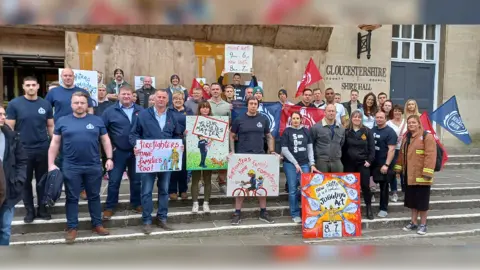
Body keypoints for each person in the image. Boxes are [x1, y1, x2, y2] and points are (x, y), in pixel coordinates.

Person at [48, 91, 114, 244]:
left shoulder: (97, 120)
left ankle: (97, 224)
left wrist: (109, 158)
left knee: (94, 196)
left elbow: (105, 141)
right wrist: (51, 164)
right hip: (71, 166)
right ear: (71, 104)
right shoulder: (62, 121)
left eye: (82, 102)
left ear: (87, 104)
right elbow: (55, 143)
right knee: (71, 197)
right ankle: (72, 227)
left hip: (93, 165)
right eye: (76, 102)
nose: (79, 105)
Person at [130, 89, 183, 234]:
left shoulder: (172, 115)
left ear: (167, 100)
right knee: (146, 191)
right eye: (158, 97)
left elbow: (177, 134)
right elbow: (133, 134)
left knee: (164, 190)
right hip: (149, 159)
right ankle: (147, 220)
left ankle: (162, 218)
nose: (160, 99)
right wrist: (137, 145)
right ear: (153, 99)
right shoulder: (143, 115)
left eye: (163, 97)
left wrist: (180, 144)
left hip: (166, 160)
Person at [6, 76, 54, 223]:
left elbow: (50, 126)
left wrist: (54, 144)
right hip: (23, 150)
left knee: (42, 181)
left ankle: (42, 208)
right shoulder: (15, 104)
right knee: (25, 182)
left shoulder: (45, 104)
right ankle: (29, 211)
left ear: (38, 86)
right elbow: (9, 128)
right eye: (28, 85)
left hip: (42, 148)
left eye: (33, 85)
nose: (31, 87)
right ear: (23, 87)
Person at [46, 68, 94, 200]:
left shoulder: (82, 92)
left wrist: (91, 130)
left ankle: (83, 188)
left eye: (70, 75)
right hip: (62, 132)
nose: (67, 78)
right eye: (65, 75)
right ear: (62, 77)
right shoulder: (53, 92)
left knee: (82, 158)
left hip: (82, 133)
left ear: (74, 77)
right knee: (63, 161)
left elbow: (90, 110)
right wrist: (52, 132)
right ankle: (65, 188)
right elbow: (47, 112)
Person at [229, 96, 278, 225]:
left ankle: (263, 212)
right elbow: (232, 135)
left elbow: (269, 136)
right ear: (247, 105)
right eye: (251, 103)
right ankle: (237, 213)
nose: (253, 105)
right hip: (243, 158)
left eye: (255, 104)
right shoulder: (239, 119)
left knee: (261, 186)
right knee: (241, 186)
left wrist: (272, 151)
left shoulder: (263, 119)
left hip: (260, 157)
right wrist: (232, 152)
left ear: (258, 105)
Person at [101, 85, 143, 220]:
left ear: (133, 96)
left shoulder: (141, 110)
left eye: (128, 94)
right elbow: (102, 131)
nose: (126, 96)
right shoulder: (109, 111)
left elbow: (146, 129)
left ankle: (136, 203)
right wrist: (110, 147)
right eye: (123, 94)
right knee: (114, 180)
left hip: (136, 152)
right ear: (118, 95)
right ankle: (110, 206)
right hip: (117, 152)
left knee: (136, 180)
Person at [395, 114, 436, 235]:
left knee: (422, 203)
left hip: (422, 176)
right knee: (412, 202)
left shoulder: (427, 136)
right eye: (409, 123)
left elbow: (431, 155)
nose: (411, 124)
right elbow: (401, 155)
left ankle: (423, 225)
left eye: (414, 122)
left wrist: (427, 173)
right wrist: (398, 170)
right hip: (410, 176)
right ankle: (413, 222)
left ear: (419, 123)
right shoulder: (406, 137)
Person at [281, 111, 319, 223]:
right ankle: (295, 214)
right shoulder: (287, 132)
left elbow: (310, 148)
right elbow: (284, 149)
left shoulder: (306, 131)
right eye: (294, 118)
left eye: (298, 118)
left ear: (301, 119)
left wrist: (312, 163)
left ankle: (307, 212)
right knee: (292, 189)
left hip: (305, 163)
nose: (296, 120)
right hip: (290, 164)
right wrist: (295, 163)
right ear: (291, 120)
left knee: (306, 188)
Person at [0, 106, 28, 246]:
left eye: (4, 114)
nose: (3, 117)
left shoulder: (11, 136)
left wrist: (19, 180)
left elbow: (22, 160)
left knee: (5, 229)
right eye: (0, 114)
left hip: (9, 190)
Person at [342, 110, 375, 220]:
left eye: (359, 117)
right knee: (349, 187)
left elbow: (372, 148)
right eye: (355, 117)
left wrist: (369, 160)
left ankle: (369, 208)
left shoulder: (367, 131)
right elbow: (342, 148)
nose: (357, 119)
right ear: (351, 118)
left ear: (362, 119)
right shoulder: (346, 131)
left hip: (363, 163)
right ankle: (349, 210)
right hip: (349, 164)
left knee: (365, 186)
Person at [371, 111, 397, 218]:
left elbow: (392, 150)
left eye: (381, 117)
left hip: (383, 164)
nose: (379, 119)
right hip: (372, 163)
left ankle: (383, 208)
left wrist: (386, 164)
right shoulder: (372, 130)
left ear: (385, 118)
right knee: (367, 185)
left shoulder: (390, 132)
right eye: (377, 117)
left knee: (384, 187)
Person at [169, 90, 194, 201]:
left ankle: (183, 190)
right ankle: (173, 190)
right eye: (175, 99)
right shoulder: (168, 111)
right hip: (172, 140)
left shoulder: (189, 111)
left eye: (180, 98)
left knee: (184, 166)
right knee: (174, 165)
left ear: (183, 100)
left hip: (185, 140)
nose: (178, 100)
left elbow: (193, 124)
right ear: (172, 100)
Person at [191, 102, 214, 213]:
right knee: (195, 179)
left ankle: (206, 203)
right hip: (199, 145)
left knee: (208, 179)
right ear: (199, 109)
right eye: (203, 108)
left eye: (207, 108)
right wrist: (187, 133)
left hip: (209, 147)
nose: (205, 110)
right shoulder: (193, 121)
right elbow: (193, 135)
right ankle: (195, 203)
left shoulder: (215, 121)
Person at [208, 83, 231, 193]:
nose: (215, 91)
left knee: (222, 160)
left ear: (221, 91)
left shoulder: (227, 105)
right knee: (207, 159)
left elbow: (230, 121)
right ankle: (204, 183)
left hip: (223, 137)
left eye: (217, 89)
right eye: (213, 89)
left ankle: (222, 183)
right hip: (208, 137)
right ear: (210, 91)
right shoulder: (205, 104)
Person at [310, 104, 345, 172]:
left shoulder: (341, 128)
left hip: (336, 161)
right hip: (321, 161)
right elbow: (311, 145)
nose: (331, 113)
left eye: (333, 111)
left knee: (339, 181)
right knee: (321, 182)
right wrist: (312, 163)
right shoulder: (315, 128)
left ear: (336, 113)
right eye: (329, 111)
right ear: (325, 112)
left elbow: (341, 143)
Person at [387, 104, 407, 202]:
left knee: (404, 172)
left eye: (399, 111)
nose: (397, 112)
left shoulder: (406, 123)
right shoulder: (389, 123)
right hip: (393, 150)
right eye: (395, 111)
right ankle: (394, 192)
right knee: (393, 172)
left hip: (404, 150)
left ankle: (404, 192)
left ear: (402, 112)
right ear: (392, 112)